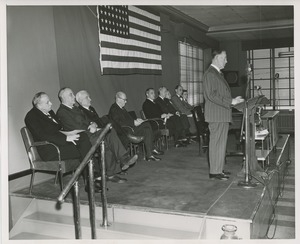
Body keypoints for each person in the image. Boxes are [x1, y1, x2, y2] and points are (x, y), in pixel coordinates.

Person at [56, 87, 138, 184]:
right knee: (108, 135)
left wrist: (93, 124)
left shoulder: (74, 109)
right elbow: (74, 127)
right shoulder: (62, 112)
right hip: (83, 139)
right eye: (71, 95)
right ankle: (123, 159)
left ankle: (112, 173)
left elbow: (88, 120)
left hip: (90, 134)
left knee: (108, 137)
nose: (73, 96)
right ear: (63, 97)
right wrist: (89, 128)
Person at [24, 92, 99, 192]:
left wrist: (69, 133)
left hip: (60, 143)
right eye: (47, 102)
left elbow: (58, 128)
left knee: (83, 137)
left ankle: (92, 177)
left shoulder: (49, 112)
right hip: (50, 149)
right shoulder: (31, 117)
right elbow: (43, 135)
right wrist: (65, 138)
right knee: (84, 149)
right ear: (39, 105)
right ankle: (90, 181)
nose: (51, 103)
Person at [203, 50, 244, 181]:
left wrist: (233, 99)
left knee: (221, 144)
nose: (226, 61)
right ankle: (215, 172)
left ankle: (218, 169)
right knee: (216, 143)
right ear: (216, 58)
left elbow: (220, 94)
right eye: (224, 58)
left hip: (221, 114)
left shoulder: (217, 73)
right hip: (216, 115)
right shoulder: (210, 73)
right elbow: (211, 95)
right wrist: (231, 101)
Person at [75, 90, 144, 148]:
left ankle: (124, 154)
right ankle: (128, 137)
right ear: (80, 100)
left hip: (101, 126)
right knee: (113, 125)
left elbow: (98, 120)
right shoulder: (80, 111)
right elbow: (89, 123)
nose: (90, 99)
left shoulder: (91, 108)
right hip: (96, 131)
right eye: (87, 97)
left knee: (117, 131)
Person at [109, 91, 163, 162]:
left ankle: (149, 155)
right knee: (147, 124)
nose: (126, 102)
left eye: (126, 100)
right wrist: (133, 122)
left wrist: (136, 120)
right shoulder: (114, 109)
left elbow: (128, 119)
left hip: (131, 128)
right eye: (124, 100)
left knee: (146, 129)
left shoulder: (122, 108)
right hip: (126, 131)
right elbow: (119, 123)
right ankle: (152, 148)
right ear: (118, 99)